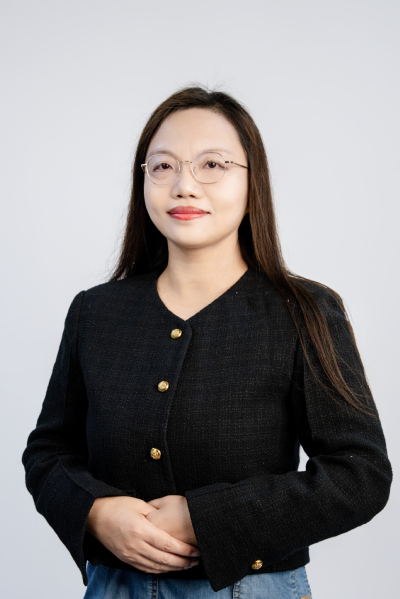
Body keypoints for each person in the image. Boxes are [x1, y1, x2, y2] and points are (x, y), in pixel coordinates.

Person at [22, 85, 392, 599]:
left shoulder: (303, 311)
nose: (184, 186)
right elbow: (48, 452)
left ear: (252, 182)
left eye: (212, 165)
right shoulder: (96, 312)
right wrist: (96, 513)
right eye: (163, 166)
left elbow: (360, 475)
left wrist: (206, 518)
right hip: (113, 588)